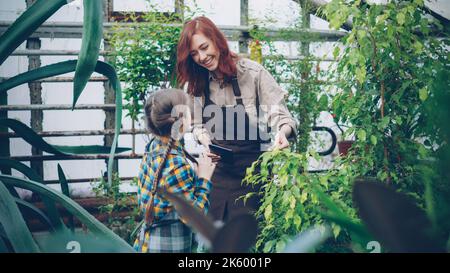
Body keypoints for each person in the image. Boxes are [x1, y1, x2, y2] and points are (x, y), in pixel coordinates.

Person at [176, 16, 298, 223]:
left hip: (253, 176)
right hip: (218, 175)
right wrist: (203, 137)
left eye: (204, 47)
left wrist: (282, 133)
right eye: (195, 53)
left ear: (217, 40)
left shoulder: (252, 73)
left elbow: (282, 117)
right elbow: (196, 125)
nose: (202, 57)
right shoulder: (197, 82)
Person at [133, 88, 216, 253]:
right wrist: (204, 179)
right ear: (181, 122)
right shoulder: (177, 165)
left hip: (147, 243)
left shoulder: (153, 147)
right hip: (168, 246)